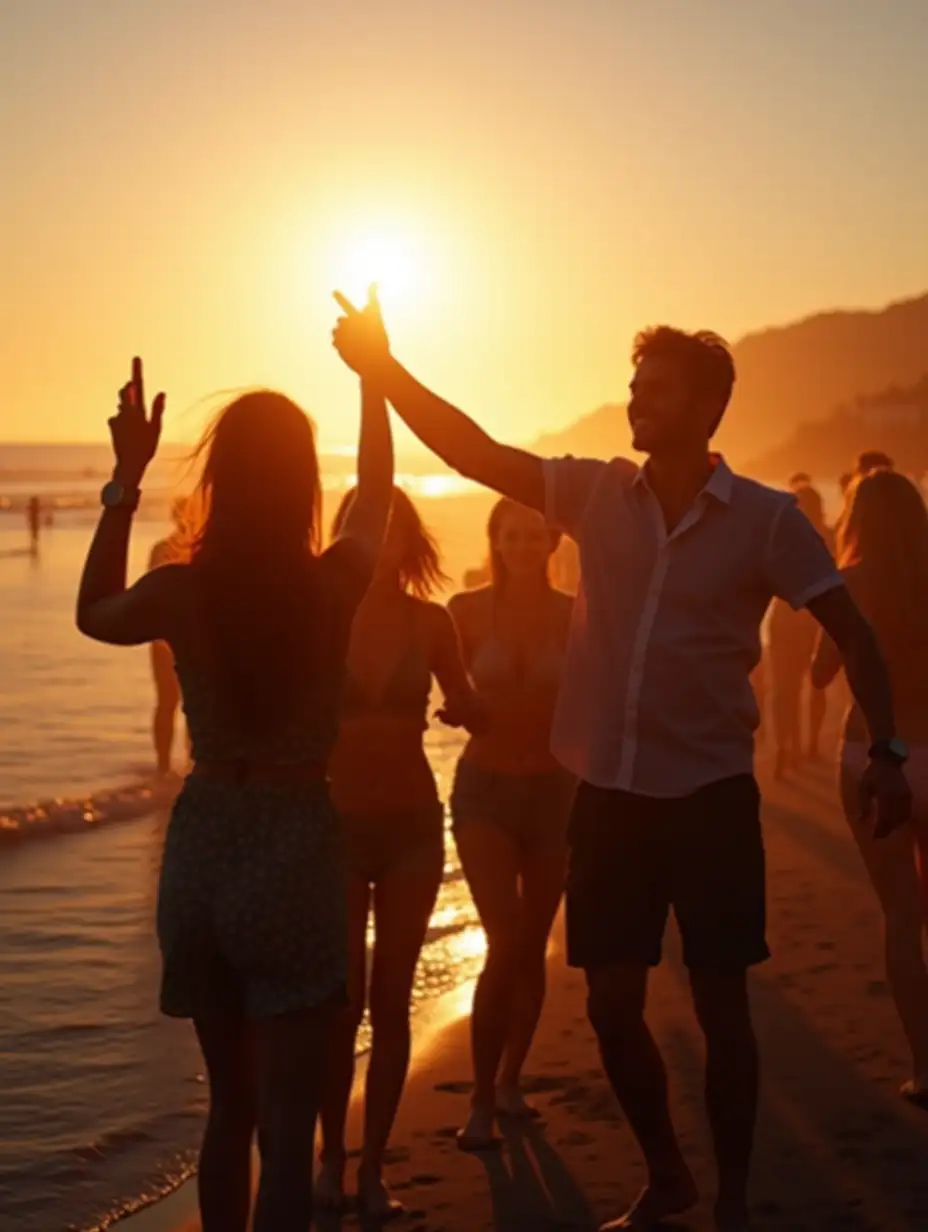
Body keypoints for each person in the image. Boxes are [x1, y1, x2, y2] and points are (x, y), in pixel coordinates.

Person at [329, 302, 911, 1232]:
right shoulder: (596, 493)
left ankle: (728, 1201)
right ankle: (667, 1173)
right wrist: (385, 372)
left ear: (707, 406)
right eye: (634, 387)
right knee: (607, 1005)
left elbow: (854, 631)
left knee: (724, 1010)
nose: (636, 401)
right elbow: (475, 453)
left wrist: (885, 750)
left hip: (713, 796)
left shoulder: (766, 522)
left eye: (655, 391)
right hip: (608, 796)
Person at [76, 314, 393, 1231]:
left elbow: (96, 612)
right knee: (288, 1133)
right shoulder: (332, 587)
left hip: (205, 849)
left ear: (217, 480)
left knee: (230, 1113)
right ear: (303, 486)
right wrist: (373, 378)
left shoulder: (181, 588)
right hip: (296, 849)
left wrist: (127, 480)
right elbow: (375, 491)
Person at [317, 486, 481, 1218]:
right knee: (340, 1000)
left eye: (391, 532)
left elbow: (469, 703)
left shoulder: (432, 621)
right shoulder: (320, 619)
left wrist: (472, 709)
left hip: (414, 822)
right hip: (337, 826)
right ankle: (330, 1162)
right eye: (364, 531)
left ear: (409, 544)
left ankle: (374, 1169)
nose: (379, 546)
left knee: (391, 1002)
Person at [446, 497, 575, 1150]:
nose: (523, 546)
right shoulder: (464, 611)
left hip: (556, 794)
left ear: (552, 542)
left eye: (534, 536)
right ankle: (479, 1097)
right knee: (506, 937)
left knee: (532, 943)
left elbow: (600, 701)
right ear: (494, 539)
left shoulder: (575, 615)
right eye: (511, 536)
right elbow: (441, 687)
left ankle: (511, 1078)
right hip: (486, 791)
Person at [811, 468, 928, 1109]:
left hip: (873, 759)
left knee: (901, 918)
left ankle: (925, 1067)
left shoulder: (849, 584)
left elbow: (821, 675)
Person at [766, 484, 834, 773]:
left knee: (788, 688)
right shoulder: (828, 536)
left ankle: (794, 746)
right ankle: (797, 745)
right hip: (808, 618)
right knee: (803, 686)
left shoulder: (779, 533)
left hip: (794, 618)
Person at [148, 496, 190, 776]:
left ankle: (166, 764)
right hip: (181, 639)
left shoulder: (162, 549)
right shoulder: (197, 550)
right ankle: (178, 763)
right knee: (186, 703)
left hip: (164, 637)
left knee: (168, 702)